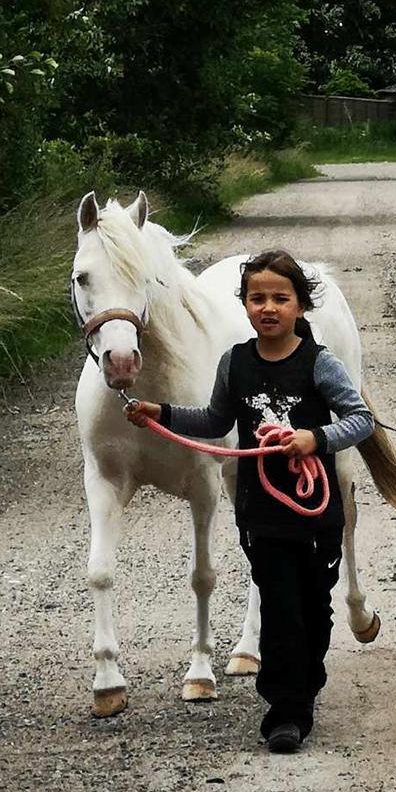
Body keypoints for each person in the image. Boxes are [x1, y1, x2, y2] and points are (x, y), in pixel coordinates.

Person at [124, 250, 374, 753]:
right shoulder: (234, 363)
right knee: (280, 606)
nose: (269, 308)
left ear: (301, 305)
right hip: (260, 512)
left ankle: (304, 683)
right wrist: (163, 413)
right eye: (257, 298)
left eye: (281, 298)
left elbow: (361, 419)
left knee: (311, 609)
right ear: (243, 305)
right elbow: (216, 422)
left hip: (314, 513)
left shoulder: (319, 364)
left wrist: (315, 439)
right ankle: (286, 710)